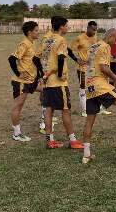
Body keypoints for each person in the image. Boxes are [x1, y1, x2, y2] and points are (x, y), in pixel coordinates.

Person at [81, 29, 116, 164]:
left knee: (90, 120)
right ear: (111, 36)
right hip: (100, 85)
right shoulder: (105, 46)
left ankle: (86, 155)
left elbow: (88, 66)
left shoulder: (93, 46)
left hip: (89, 87)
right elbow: (104, 68)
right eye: (115, 39)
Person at [40, 16, 84, 149]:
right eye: (66, 25)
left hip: (47, 81)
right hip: (58, 83)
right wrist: (60, 75)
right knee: (66, 110)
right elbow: (60, 58)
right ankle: (73, 140)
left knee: (48, 110)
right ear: (61, 27)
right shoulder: (61, 40)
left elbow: (40, 58)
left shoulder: (46, 40)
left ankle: (50, 141)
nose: (68, 27)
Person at [9, 20, 43, 142]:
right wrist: (18, 73)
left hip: (31, 81)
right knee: (18, 106)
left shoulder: (31, 43)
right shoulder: (24, 44)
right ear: (30, 32)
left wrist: (39, 75)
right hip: (22, 82)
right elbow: (11, 59)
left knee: (46, 90)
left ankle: (44, 120)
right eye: (36, 30)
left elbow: (33, 61)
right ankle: (16, 134)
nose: (38, 32)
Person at [69, 21, 99, 117]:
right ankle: (84, 110)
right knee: (83, 88)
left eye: (95, 30)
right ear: (88, 28)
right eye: (93, 29)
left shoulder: (95, 37)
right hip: (82, 68)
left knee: (93, 87)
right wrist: (76, 59)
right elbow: (69, 50)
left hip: (92, 67)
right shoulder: (80, 38)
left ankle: (93, 107)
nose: (94, 32)